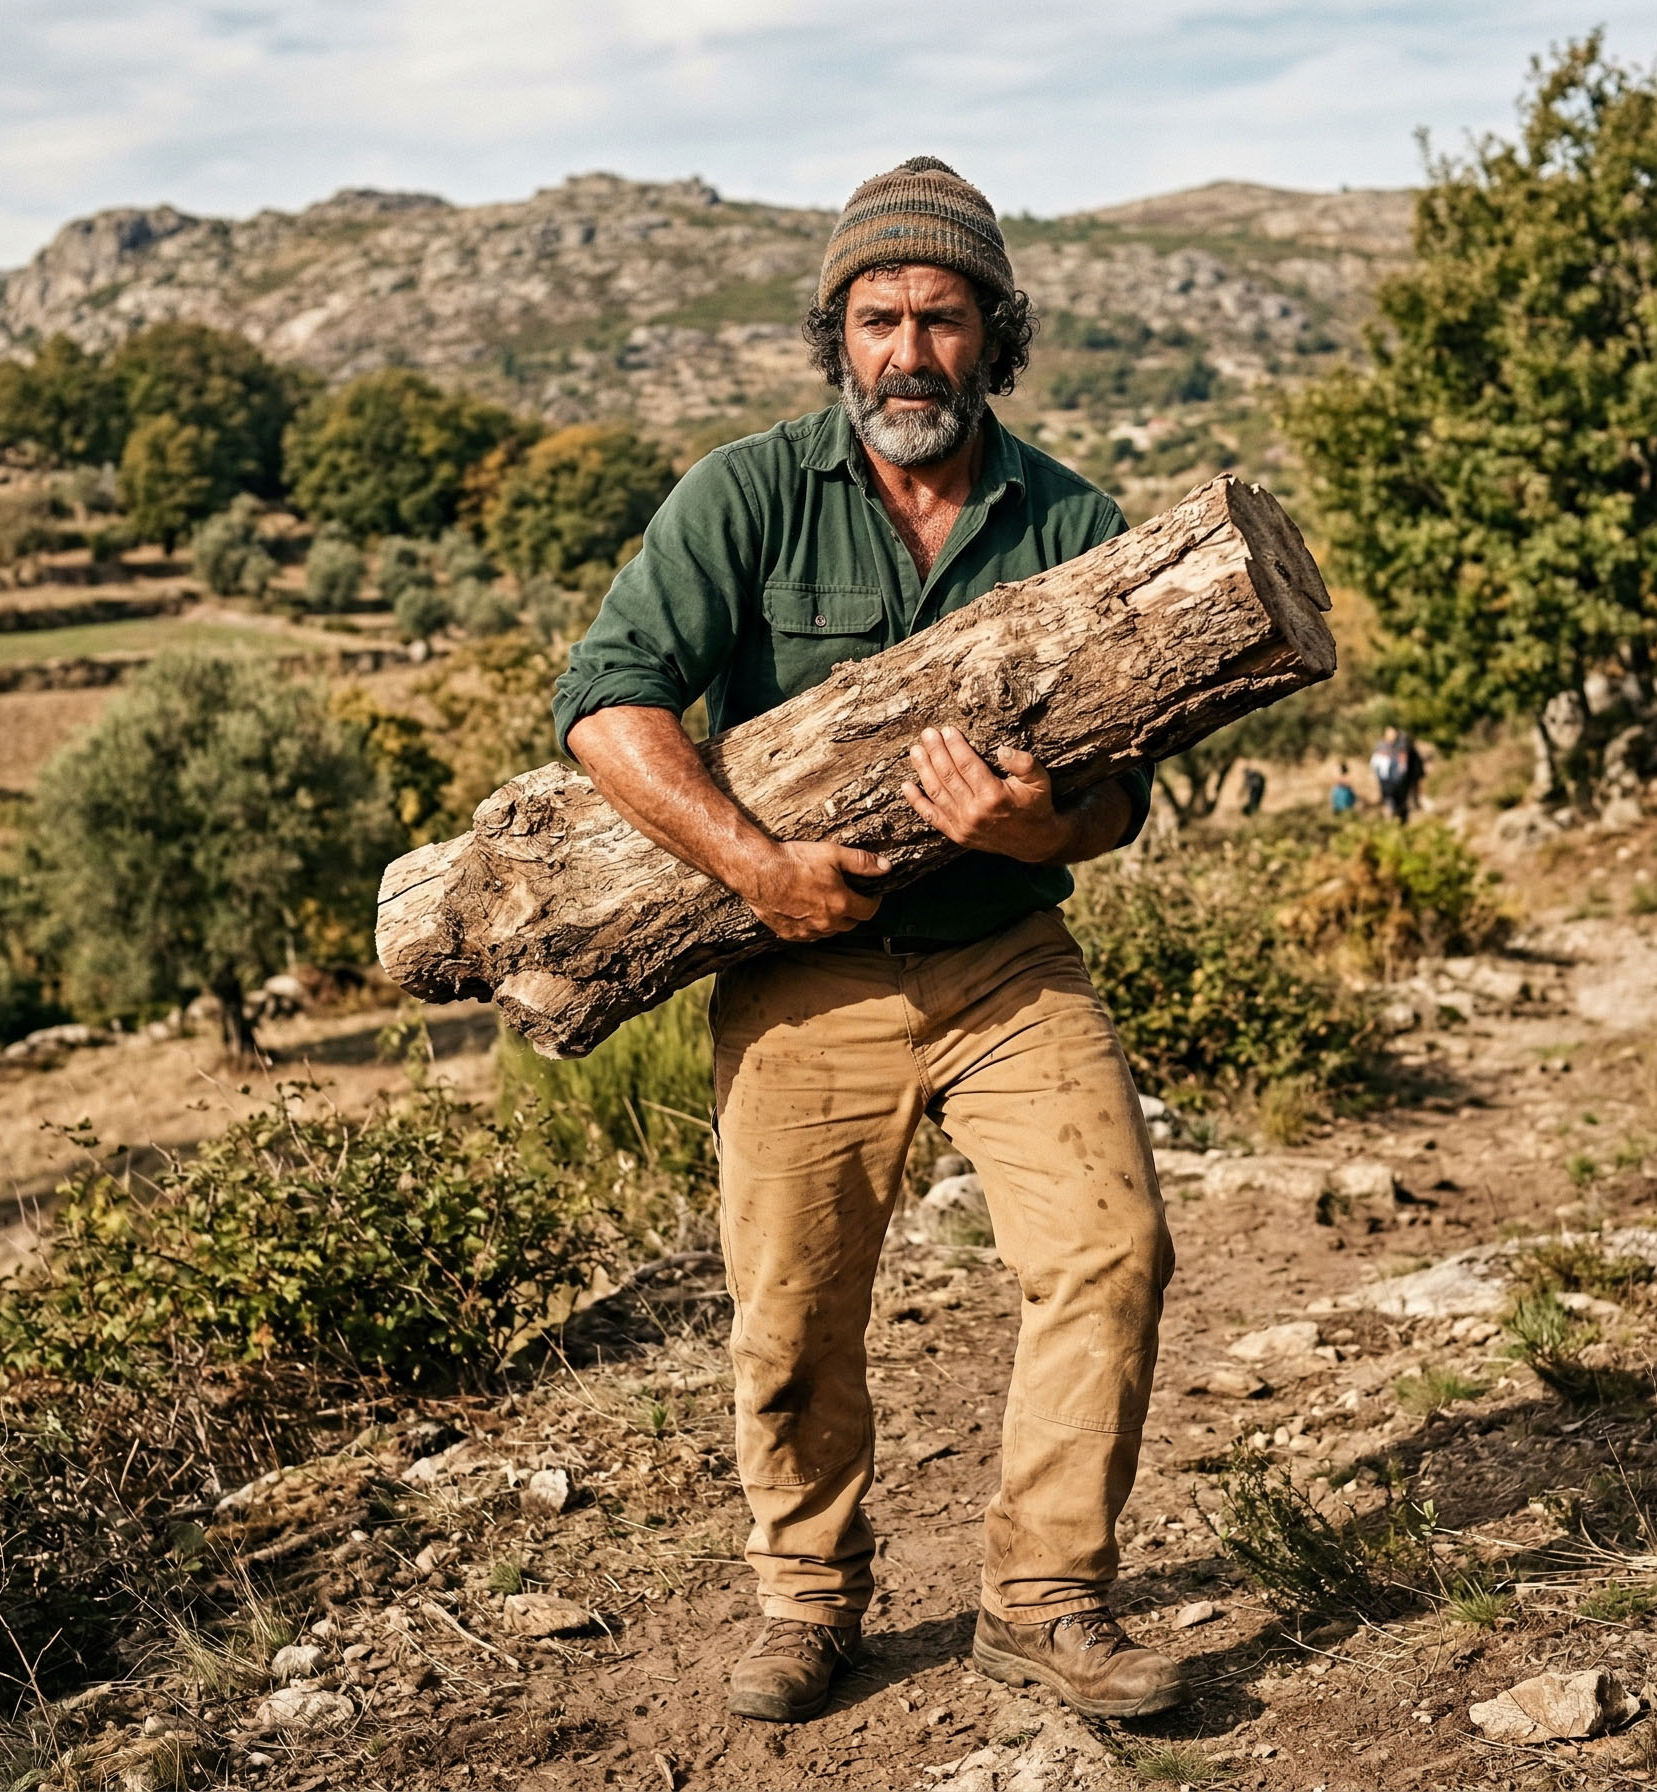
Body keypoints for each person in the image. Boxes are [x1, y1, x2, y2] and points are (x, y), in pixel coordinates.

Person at [552, 157, 1184, 1727]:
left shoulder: (1072, 518)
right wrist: (757, 870)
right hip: (800, 975)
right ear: (837, 334)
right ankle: (808, 1602)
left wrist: (1030, 826)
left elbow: (1119, 804)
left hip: (1004, 964)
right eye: (879, 317)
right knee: (791, 1316)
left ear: (998, 335)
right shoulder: (747, 494)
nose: (911, 351)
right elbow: (608, 709)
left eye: (945, 319)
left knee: (1112, 1250)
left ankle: (1044, 1600)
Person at [1370, 724, 1423, 822]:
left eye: (1393, 733)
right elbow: (1376, 766)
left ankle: (1400, 823)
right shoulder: (1381, 747)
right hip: (1387, 785)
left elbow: (1408, 769)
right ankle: (1391, 824)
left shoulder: (1402, 748)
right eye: (1389, 733)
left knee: (1401, 805)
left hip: (1400, 784)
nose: (1391, 736)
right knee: (1390, 805)